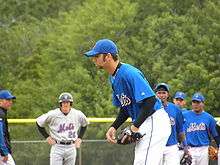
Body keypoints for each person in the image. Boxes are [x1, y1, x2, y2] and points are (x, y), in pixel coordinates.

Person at [84, 38, 171, 165]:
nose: (94, 59)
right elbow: (126, 108)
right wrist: (114, 126)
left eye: (97, 56)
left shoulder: (129, 73)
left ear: (108, 56)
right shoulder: (113, 77)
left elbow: (150, 100)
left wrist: (134, 128)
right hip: (144, 121)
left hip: (153, 120)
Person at [36, 92, 88, 165]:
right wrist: (47, 137)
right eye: (63, 102)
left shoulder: (77, 114)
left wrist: (80, 138)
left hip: (71, 146)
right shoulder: (53, 114)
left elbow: (84, 124)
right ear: (60, 104)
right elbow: (38, 122)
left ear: (71, 103)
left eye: (68, 102)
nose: (66, 104)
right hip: (57, 146)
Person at [183, 92, 220, 165]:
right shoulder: (184, 115)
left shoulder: (209, 117)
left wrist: (219, 145)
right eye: (194, 102)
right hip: (190, 149)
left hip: (204, 149)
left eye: (198, 102)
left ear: (203, 103)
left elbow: (215, 134)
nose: (195, 104)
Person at [155, 83, 187, 165]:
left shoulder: (175, 109)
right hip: (156, 146)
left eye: (164, 92)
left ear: (168, 94)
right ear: (155, 94)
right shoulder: (150, 108)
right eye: (159, 93)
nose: (161, 95)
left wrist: (185, 147)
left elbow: (180, 130)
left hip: (171, 147)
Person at [0, 90, 16, 165]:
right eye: (8, 100)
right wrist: (4, 152)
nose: (11, 102)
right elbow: (0, 134)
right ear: (0, 101)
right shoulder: (1, 113)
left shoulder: (3, 112)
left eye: (11, 100)